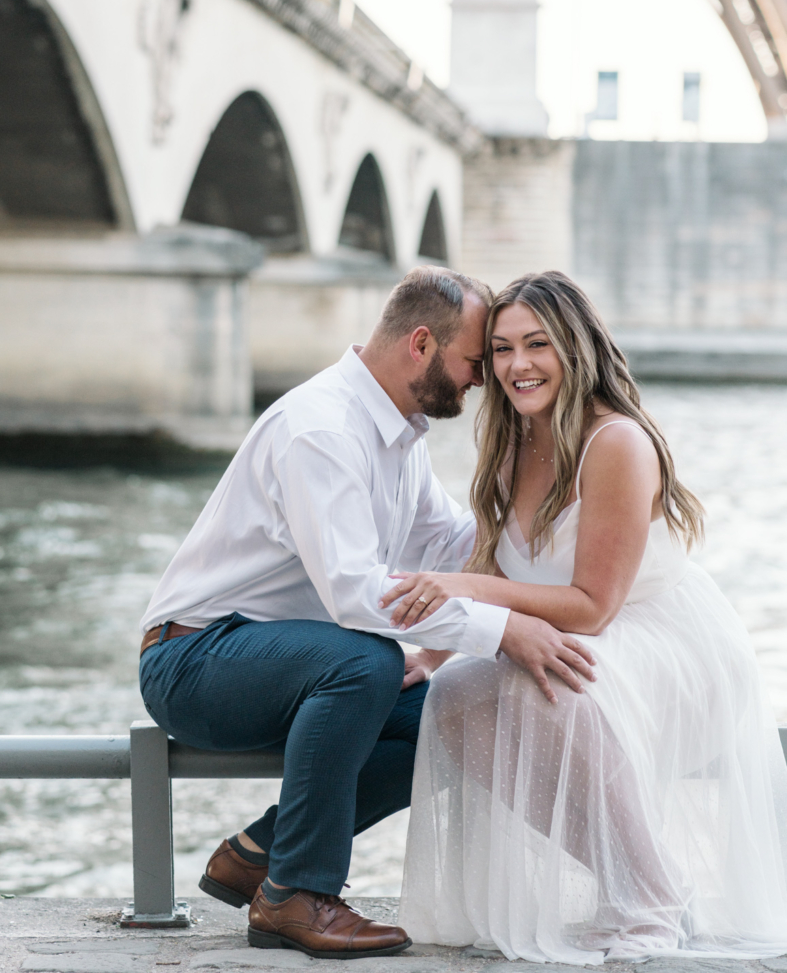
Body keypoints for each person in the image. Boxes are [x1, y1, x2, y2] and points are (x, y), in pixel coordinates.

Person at [139, 265, 596, 959]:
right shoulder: (320, 428)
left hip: (288, 663)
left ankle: (259, 852)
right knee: (366, 659)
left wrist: (551, 535)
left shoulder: (398, 433)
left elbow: (451, 546)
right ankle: (297, 893)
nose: (483, 380)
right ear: (421, 344)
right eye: (476, 360)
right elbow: (359, 597)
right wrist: (506, 631)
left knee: (455, 716)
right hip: (196, 660)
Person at [388, 270, 787, 963]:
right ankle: (634, 876)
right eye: (502, 350)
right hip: (577, 636)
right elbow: (496, 567)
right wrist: (432, 656)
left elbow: (593, 607)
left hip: (664, 643)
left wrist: (458, 592)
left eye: (537, 345)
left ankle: (651, 894)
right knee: (452, 702)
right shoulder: (513, 441)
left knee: (542, 680)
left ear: (576, 348)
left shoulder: (618, 443)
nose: (517, 366)